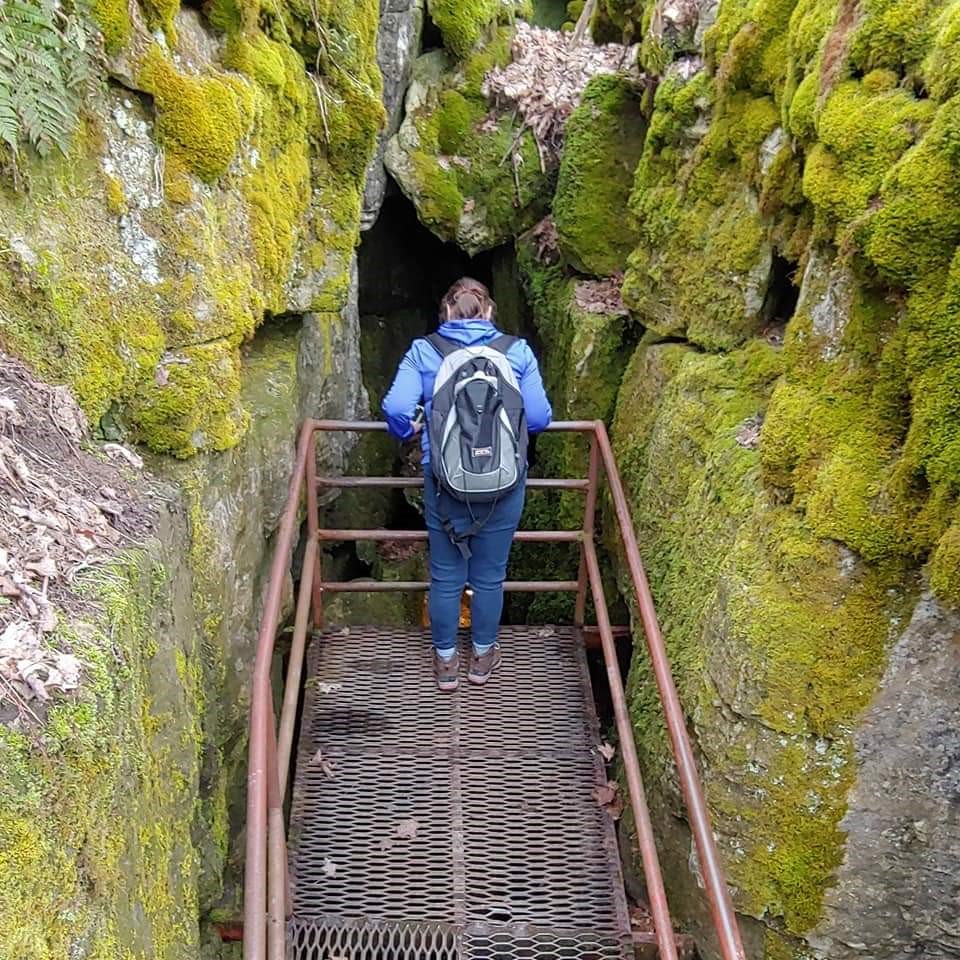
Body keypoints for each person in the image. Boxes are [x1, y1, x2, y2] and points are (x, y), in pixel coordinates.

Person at [382, 277, 552, 691]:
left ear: (445, 311)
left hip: (444, 483)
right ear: (489, 311)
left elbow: (396, 407)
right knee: (490, 575)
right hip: (504, 484)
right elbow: (538, 418)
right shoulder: (516, 352)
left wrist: (412, 428)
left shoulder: (424, 351)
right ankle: (481, 658)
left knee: (445, 574)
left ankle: (445, 664)